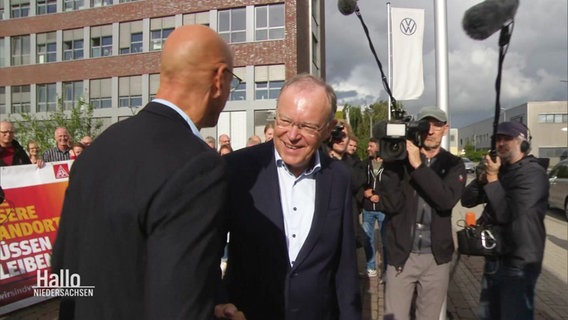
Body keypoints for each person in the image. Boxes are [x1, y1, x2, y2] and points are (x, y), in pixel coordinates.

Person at [52, 25, 244, 320]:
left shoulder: (98, 150)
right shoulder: (198, 166)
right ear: (219, 79)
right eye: (233, 80)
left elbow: (65, 270)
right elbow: (180, 307)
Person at [217, 74, 362, 319]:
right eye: (285, 121)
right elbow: (208, 252)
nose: (292, 135)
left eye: (306, 126)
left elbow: (345, 268)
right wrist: (219, 302)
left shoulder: (339, 178)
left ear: (327, 129)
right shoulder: (237, 169)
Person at [378, 106, 466, 320]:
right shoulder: (401, 163)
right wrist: (391, 165)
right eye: (426, 125)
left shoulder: (453, 164)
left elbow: (445, 200)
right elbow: (390, 205)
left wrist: (418, 165)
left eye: (436, 125)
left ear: (446, 129)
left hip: (436, 258)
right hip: (402, 255)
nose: (431, 130)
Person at [461, 121, 548, 320]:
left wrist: (492, 179)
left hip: (519, 262)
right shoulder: (501, 172)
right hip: (496, 257)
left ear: (523, 144)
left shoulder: (533, 174)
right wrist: (482, 179)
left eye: (506, 139)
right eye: (497, 139)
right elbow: (467, 200)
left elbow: (507, 214)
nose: (500, 143)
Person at [358, 137, 386, 278]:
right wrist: (365, 192)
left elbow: (393, 185)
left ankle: (386, 269)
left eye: (371, 146)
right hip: (367, 208)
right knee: (367, 239)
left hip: (383, 209)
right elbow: (359, 181)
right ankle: (370, 267)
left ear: (378, 147)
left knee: (386, 240)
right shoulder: (364, 164)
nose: (368, 148)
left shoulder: (388, 165)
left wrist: (380, 196)